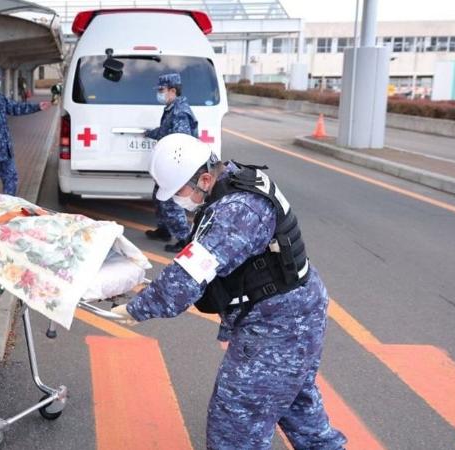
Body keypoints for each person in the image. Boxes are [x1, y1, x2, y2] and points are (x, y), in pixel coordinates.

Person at [112, 134, 347, 450]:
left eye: (179, 191)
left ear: (205, 178)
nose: (175, 200)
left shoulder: (237, 210)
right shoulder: (236, 180)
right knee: (297, 409)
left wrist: (138, 307)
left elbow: (188, 275)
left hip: (278, 327)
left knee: (235, 428)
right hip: (293, 316)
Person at [0, 65, 51, 195]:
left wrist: (37, 107)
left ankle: (9, 206)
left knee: (11, 179)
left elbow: (15, 108)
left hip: (5, 148)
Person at [144, 72, 198, 254]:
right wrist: (150, 133)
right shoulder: (172, 109)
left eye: (162, 90)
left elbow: (180, 140)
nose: (159, 93)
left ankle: (184, 239)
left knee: (170, 201)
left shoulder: (180, 112)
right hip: (169, 162)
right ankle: (164, 230)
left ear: (172, 90)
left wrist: (175, 169)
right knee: (159, 196)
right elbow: (166, 130)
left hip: (177, 164)